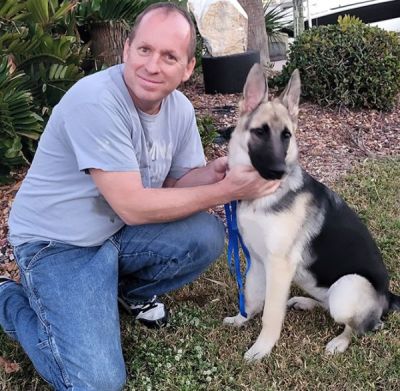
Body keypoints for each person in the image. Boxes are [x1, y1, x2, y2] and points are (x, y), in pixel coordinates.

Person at [0, 2, 279, 390]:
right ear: (126, 49)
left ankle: (124, 293)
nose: (152, 65)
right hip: (57, 244)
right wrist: (226, 190)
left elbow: (174, 188)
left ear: (187, 68)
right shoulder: (96, 100)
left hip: (114, 231)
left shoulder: (179, 109)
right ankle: (8, 301)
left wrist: (212, 174)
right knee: (96, 383)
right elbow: (132, 205)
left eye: (169, 56)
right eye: (145, 50)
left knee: (205, 235)